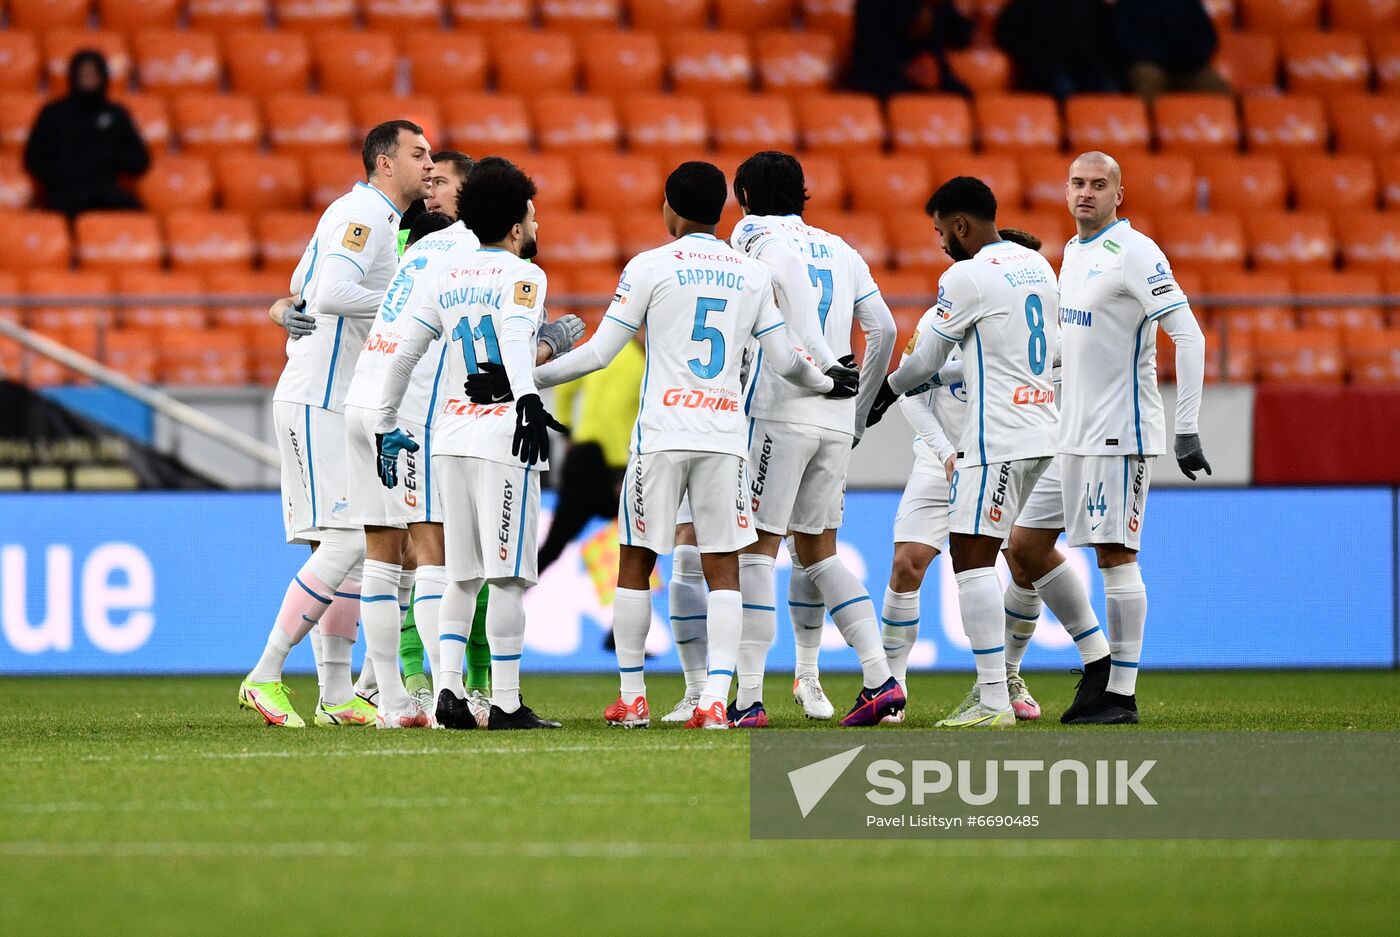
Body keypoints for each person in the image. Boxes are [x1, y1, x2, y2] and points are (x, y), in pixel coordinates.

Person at [466, 161, 851, 729]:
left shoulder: (649, 266)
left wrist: (520, 377)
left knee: (637, 559)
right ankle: (718, 700)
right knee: (724, 566)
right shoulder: (749, 273)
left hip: (662, 436)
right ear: (721, 210)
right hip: (723, 438)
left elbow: (599, 353)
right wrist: (829, 381)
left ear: (669, 207)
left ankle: (634, 696)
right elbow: (788, 361)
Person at [237, 121, 433, 728]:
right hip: (317, 396)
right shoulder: (366, 214)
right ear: (383, 162)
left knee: (345, 546)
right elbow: (329, 292)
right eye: (417, 154)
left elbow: (297, 289)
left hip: (339, 397)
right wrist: (412, 303)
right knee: (351, 540)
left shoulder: (368, 217)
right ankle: (266, 674)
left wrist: (285, 309)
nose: (428, 165)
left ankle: (335, 694)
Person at [375, 156, 565, 731]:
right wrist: (527, 396)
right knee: (506, 575)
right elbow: (512, 336)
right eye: (531, 215)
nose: (534, 224)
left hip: (448, 437)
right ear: (515, 226)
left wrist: (385, 418)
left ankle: (449, 694)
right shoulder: (526, 276)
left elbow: (406, 351)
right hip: (500, 435)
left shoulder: (447, 275)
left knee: (460, 575)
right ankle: (505, 701)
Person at [867, 176, 1059, 729]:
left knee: (972, 559)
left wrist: (884, 391)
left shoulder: (966, 275)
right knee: (999, 556)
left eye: (939, 232)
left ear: (959, 225)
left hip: (996, 438)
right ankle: (1001, 688)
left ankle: (995, 699)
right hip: (1040, 431)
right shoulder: (1038, 267)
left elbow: (924, 360)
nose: (940, 245)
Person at [1034, 150, 1209, 724]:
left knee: (1116, 554)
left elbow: (1190, 336)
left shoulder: (1136, 252)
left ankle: (1122, 695)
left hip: (1118, 432)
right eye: (1078, 183)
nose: (1086, 192)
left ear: (1118, 194)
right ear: (1066, 191)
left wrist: (1185, 427)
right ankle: (1097, 662)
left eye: (1098, 184)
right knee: (1024, 545)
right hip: (1069, 434)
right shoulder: (1072, 251)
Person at [729, 151, 901, 728]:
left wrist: (816, 365)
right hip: (834, 417)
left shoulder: (750, 233)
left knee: (756, 552)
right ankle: (880, 679)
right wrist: (858, 404)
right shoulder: (841, 247)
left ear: (744, 195)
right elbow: (885, 328)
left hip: (779, 407)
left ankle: (748, 697)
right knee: (818, 553)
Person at [536, 337, 644, 574]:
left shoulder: (603, 350)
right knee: (642, 538)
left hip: (582, 457)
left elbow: (565, 385)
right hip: (612, 468)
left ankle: (509, 593)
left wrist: (566, 430)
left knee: (553, 546)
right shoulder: (643, 364)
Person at [24, 50, 149, 217]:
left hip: (107, 194)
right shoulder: (53, 113)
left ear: (103, 76)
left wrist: (109, 156)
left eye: (93, 74)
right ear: (73, 76)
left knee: (137, 218)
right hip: (65, 195)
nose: (87, 79)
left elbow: (140, 160)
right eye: (83, 74)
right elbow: (33, 159)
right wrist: (61, 174)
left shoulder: (116, 114)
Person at [849, 0, 976, 98]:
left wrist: (963, 10)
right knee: (902, 95)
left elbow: (960, 40)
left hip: (930, 74)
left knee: (961, 94)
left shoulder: (939, 4)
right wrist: (905, 69)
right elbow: (870, 47)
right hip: (883, 73)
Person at [995, 0, 1118, 98]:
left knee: (1110, 91)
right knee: (1064, 87)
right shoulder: (1028, 4)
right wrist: (1038, 61)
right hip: (1047, 71)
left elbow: (1108, 39)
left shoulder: (1092, 5)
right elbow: (1007, 34)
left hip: (1089, 70)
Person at [1113, 0, 1230, 101]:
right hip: (1149, 63)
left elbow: (1208, 38)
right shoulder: (1129, 3)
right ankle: (1149, 123)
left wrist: (1192, 56)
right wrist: (1159, 56)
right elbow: (1124, 41)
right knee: (1147, 78)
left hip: (1189, 65)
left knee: (1216, 86)